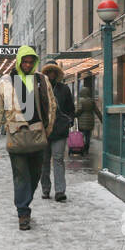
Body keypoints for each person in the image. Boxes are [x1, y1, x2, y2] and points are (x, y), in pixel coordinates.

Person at [0, 45, 56, 230]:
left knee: (35, 175)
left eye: (30, 61)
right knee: (20, 176)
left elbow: (52, 106)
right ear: (18, 62)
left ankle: (25, 202)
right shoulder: (6, 82)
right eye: (24, 61)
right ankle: (23, 212)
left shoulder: (42, 80)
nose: (27, 64)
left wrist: (47, 130)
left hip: (38, 136)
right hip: (16, 137)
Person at [40, 63, 75, 201]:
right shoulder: (40, 88)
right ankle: (46, 189)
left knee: (58, 159)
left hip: (60, 129)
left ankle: (60, 191)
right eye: (49, 72)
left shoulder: (64, 89)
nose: (51, 75)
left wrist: (69, 121)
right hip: (44, 130)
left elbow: (71, 108)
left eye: (54, 72)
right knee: (44, 161)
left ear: (57, 74)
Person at [75, 84, 103, 157]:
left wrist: (75, 115)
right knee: (88, 136)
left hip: (82, 121)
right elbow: (97, 111)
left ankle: (82, 148)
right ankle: (87, 149)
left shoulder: (81, 101)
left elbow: (79, 110)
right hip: (90, 121)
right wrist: (102, 119)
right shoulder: (92, 101)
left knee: (82, 135)